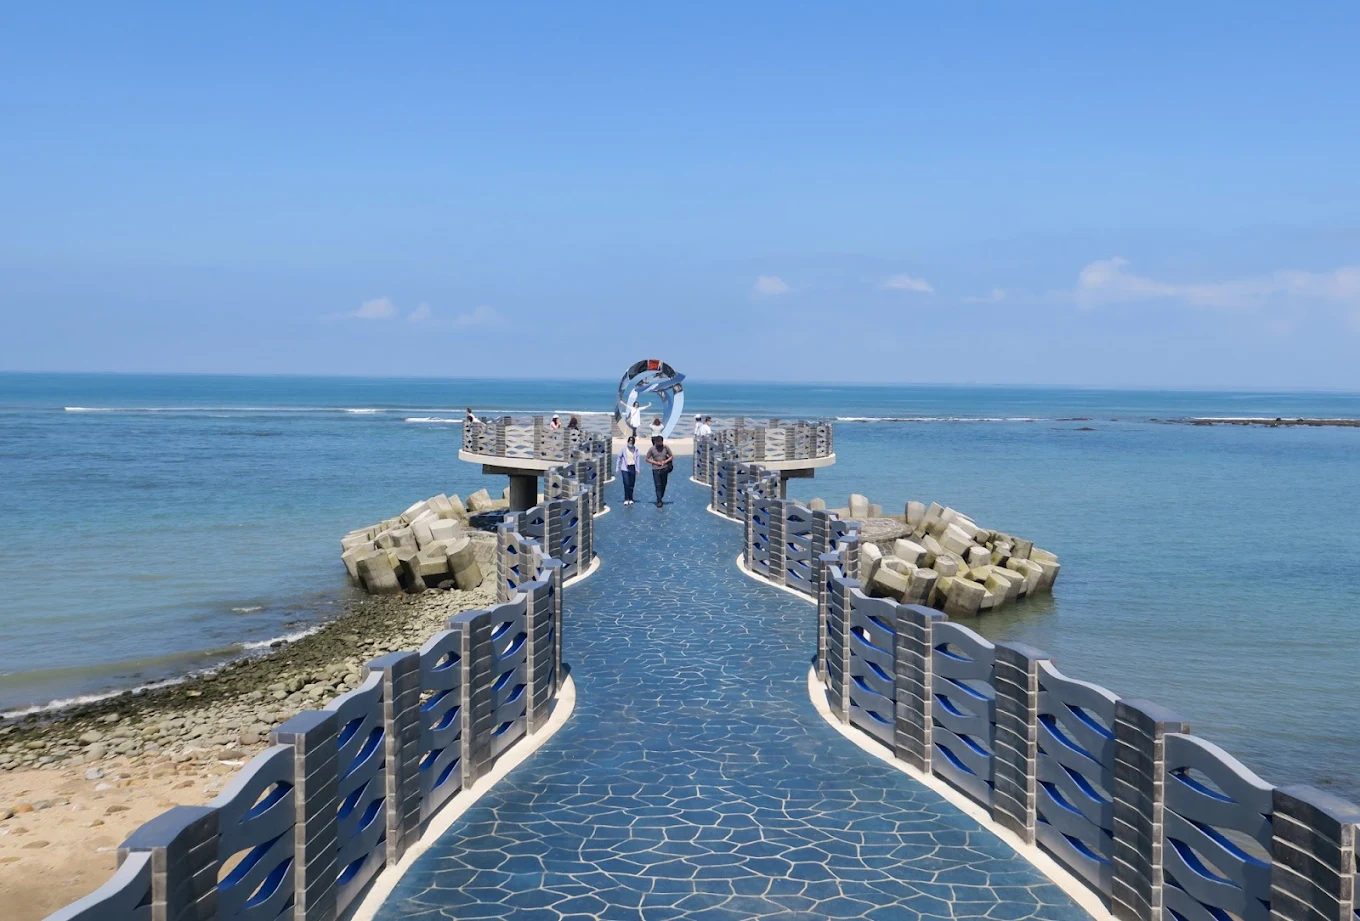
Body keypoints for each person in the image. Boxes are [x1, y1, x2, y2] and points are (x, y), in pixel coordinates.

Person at [645, 435, 674, 507]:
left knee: (664, 484)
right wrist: (655, 462)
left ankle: (661, 496)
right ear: (655, 442)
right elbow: (647, 459)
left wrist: (665, 461)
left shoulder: (666, 447)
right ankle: (659, 500)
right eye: (658, 442)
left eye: (660, 442)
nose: (659, 444)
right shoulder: (652, 449)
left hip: (664, 468)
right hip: (656, 469)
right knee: (658, 485)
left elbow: (671, 456)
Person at [616, 435, 640, 505]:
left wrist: (638, 469)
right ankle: (626, 498)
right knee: (626, 483)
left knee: (632, 484)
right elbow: (619, 457)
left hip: (632, 467)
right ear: (627, 441)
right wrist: (617, 467)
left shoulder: (636, 450)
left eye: (632, 442)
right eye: (629, 441)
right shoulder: (623, 449)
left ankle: (631, 498)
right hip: (625, 468)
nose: (630, 443)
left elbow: (637, 459)